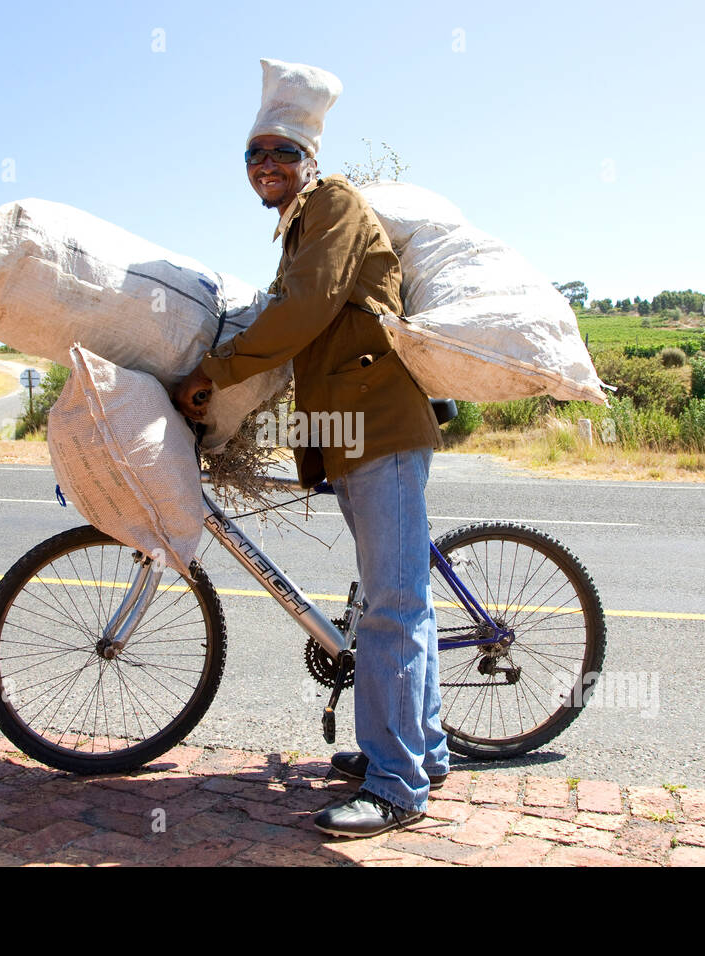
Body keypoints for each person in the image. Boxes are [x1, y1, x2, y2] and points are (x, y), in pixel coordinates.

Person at [172, 59, 447, 838]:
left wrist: (215, 372)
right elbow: (302, 324)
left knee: (393, 605)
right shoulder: (297, 225)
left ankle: (396, 786)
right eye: (255, 155)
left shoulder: (331, 205)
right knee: (396, 598)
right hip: (351, 431)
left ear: (310, 161)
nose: (267, 166)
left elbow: (303, 312)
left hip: (382, 424)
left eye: (281, 153)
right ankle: (422, 751)